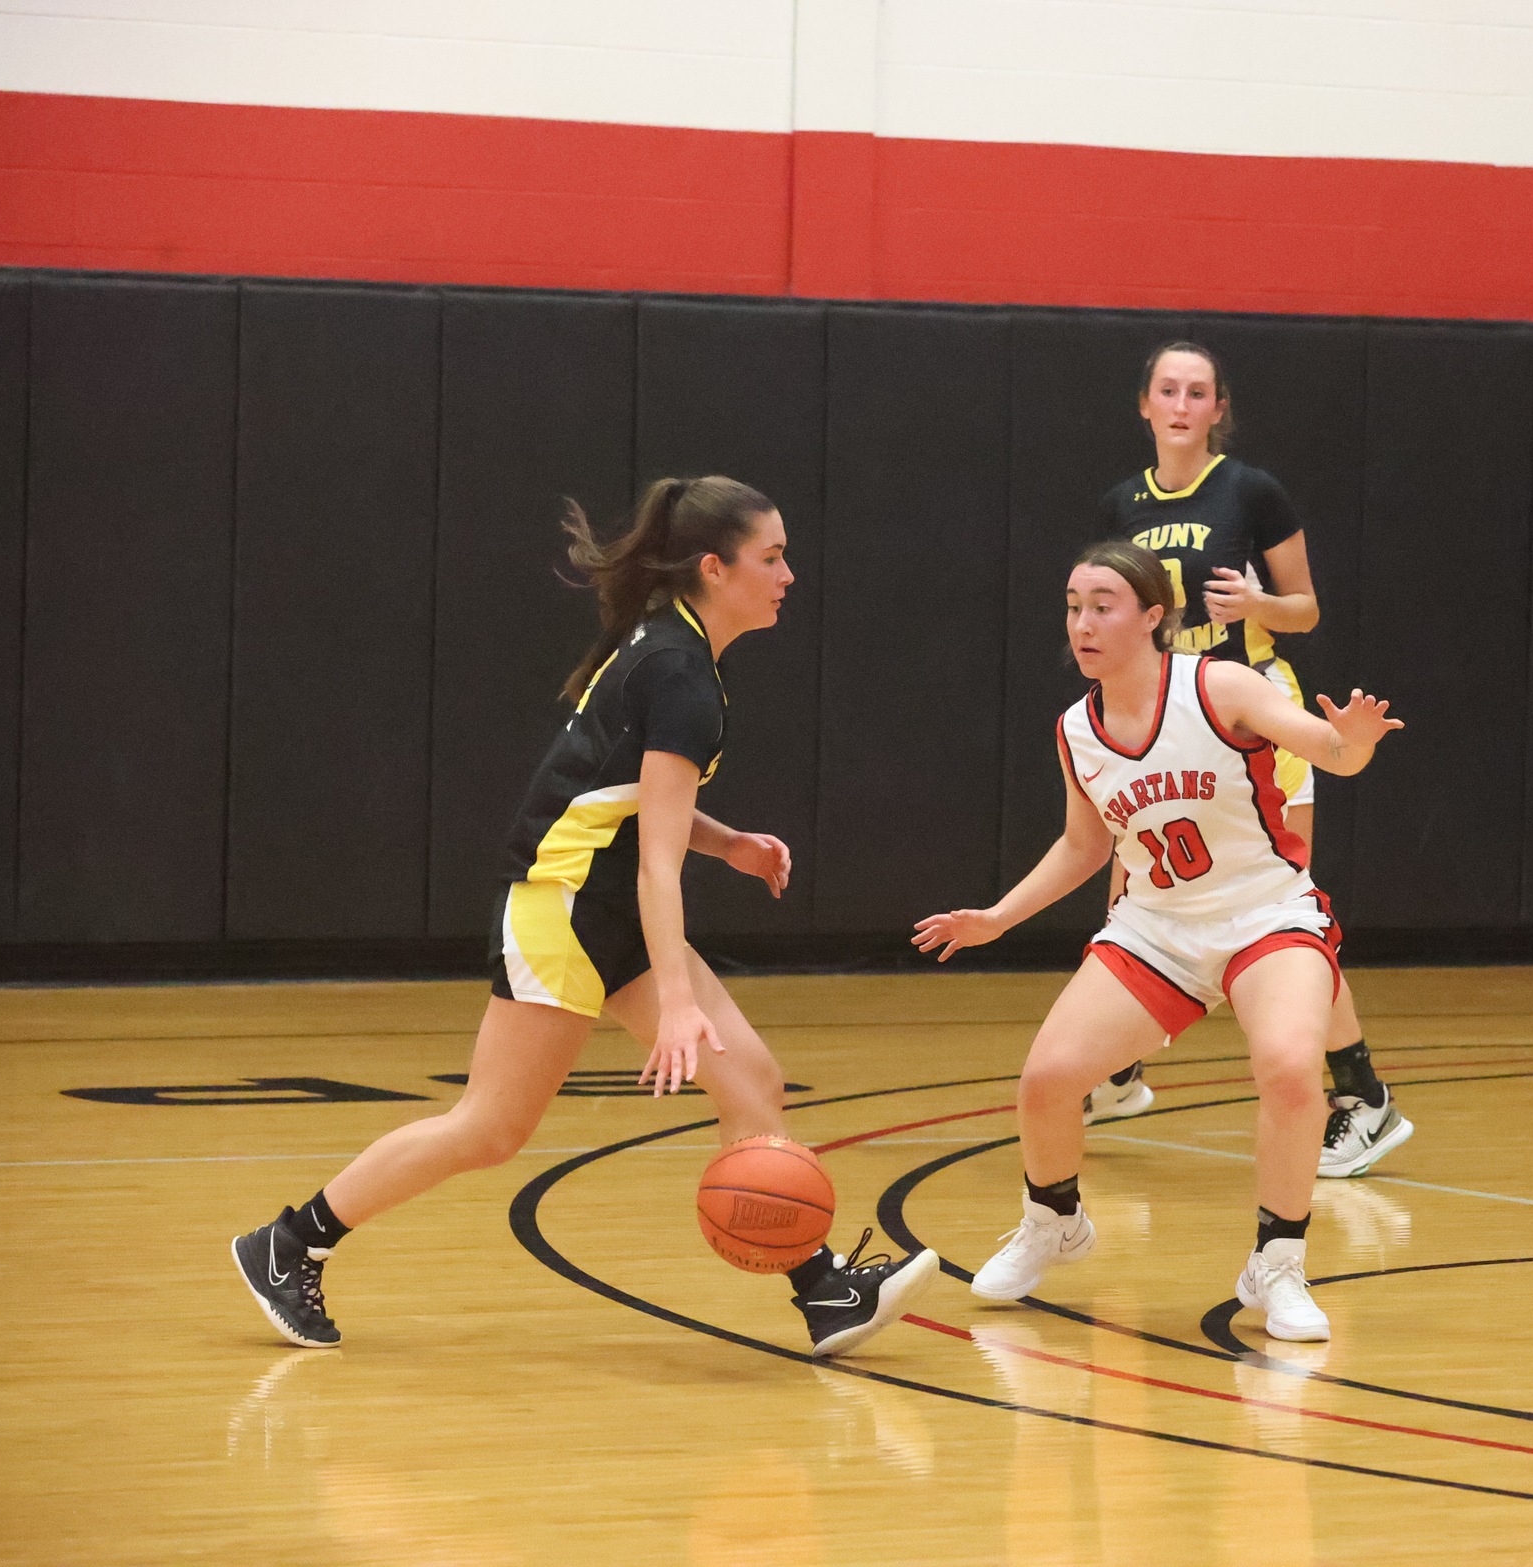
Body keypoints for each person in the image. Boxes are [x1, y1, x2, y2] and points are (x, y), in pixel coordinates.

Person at [230, 477, 937, 1358]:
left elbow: (632, 800)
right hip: (562, 906)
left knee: (748, 1077)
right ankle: (290, 1241)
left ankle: (822, 1289)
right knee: (489, 1129)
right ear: (715, 568)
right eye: (773, 556)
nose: (790, 572)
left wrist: (730, 845)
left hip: (604, 901)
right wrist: (675, 1001)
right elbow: (652, 859)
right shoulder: (680, 672)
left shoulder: (676, 650)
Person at [913, 541, 1402, 1341]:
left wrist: (1354, 741)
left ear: (1151, 617)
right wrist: (996, 917)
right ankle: (1054, 1221)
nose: (1082, 623)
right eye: (1073, 606)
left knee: (1286, 1069)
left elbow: (1329, 753)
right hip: (1158, 928)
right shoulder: (1077, 728)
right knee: (1046, 1079)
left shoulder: (1218, 686)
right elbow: (1082, 846)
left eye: (1102, 605)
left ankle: (1276, 1262)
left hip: (1264, 913)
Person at [1088, 340, 1414, 1180]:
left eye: (1198, 391)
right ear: (1145, 405)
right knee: (1137, 882)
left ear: (1216, 407)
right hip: (1170, 714)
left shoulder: (1250, 491)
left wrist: (1260, 602)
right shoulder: (1121, 502)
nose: (1182, 404)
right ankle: (1118, 1069)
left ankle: (1363, 1096)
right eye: (1168, 389)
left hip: (1253, 710)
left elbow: (1304, 609)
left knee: (1282, 907)